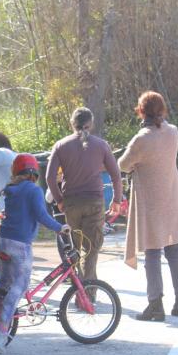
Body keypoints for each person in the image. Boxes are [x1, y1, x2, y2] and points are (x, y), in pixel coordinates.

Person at [118, 91, 178, 322]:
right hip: (172, 199)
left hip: (150, 204)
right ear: (162, 109)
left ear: (141, 111)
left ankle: (155, 304)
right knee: (174, 251)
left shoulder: (141, 139)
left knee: (152, 253)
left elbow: (123, 165)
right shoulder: (173, 132)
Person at [0, 154, 70, 353]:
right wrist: (60, 227)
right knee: (21, 285)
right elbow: (41, 215)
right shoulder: (33, 190)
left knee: (3, 283)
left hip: (3, 240)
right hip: (19, 244)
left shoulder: (11, 189)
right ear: (34, 171)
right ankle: (3, 324)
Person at [46, 108, 123, 283]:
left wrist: (59, 200)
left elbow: (50, 178)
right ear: (91, 124)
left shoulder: (60, 145)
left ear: (72, 124)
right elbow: (116, 175)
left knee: (75, 248)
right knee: (91, 249)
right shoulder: (101, 145)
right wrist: (117, 200)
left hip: (71, 203)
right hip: (94, 202)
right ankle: (88, 290)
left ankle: (78, 287)